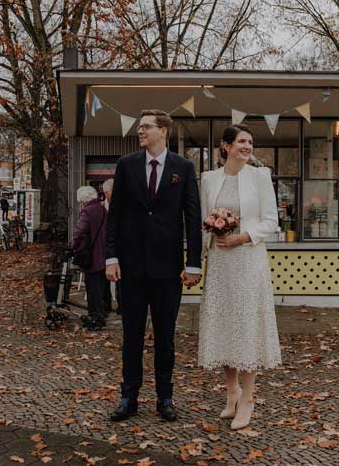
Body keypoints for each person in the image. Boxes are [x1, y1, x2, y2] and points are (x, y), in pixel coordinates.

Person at [105, 109, 202, 423]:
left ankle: (165, 397)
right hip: (131, 269)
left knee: (165, 337)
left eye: (146, 126)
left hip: (168, 270)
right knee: (130, 336)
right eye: (139, 126)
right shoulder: (126, 166)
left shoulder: (184, 168)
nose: (140, 131)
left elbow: (192, 218)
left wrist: (193, 264)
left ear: (164, 131)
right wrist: (111, 257)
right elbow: (114, 216)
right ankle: (128, 397)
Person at [198, 125, 282, 430]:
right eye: (241, 142)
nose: (247, 146)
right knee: (225, 324)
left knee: (245, 325)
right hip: (220, 261)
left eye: (250, 142)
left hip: (248, 259)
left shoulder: (260, 177)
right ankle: (231, 392)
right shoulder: (209, 179)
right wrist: (213, 228)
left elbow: (271, 222)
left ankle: (248, 398)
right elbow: (203, 220)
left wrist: (242, 237)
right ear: (226, 146)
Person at [71, 186, 110, 330]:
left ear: (83, 199)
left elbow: (80, 231)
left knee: (92, 288)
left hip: (92, 255)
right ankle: (103, 312)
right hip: (104, 254)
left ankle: (96, 318)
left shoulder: (87, 211)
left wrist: (74, 245)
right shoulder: (102, 209)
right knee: (101, 286)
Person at [101, 178, 117, 317]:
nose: (107, 195)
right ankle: (106, 304)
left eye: (109, 192)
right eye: (105, 192)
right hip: (104, 246)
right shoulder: (101, 207)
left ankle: (120, 304)